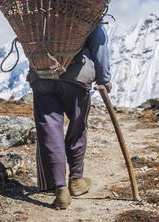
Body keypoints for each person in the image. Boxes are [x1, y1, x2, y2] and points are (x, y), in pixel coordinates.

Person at [27, 22, 111, 209]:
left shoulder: (36, 12)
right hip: (76, 77)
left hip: (41, 75)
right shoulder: (83, 9)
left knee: (49, 130)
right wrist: (104, 79)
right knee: (78, 127)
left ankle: (60, 188)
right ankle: (76, 179)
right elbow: (99, 46)